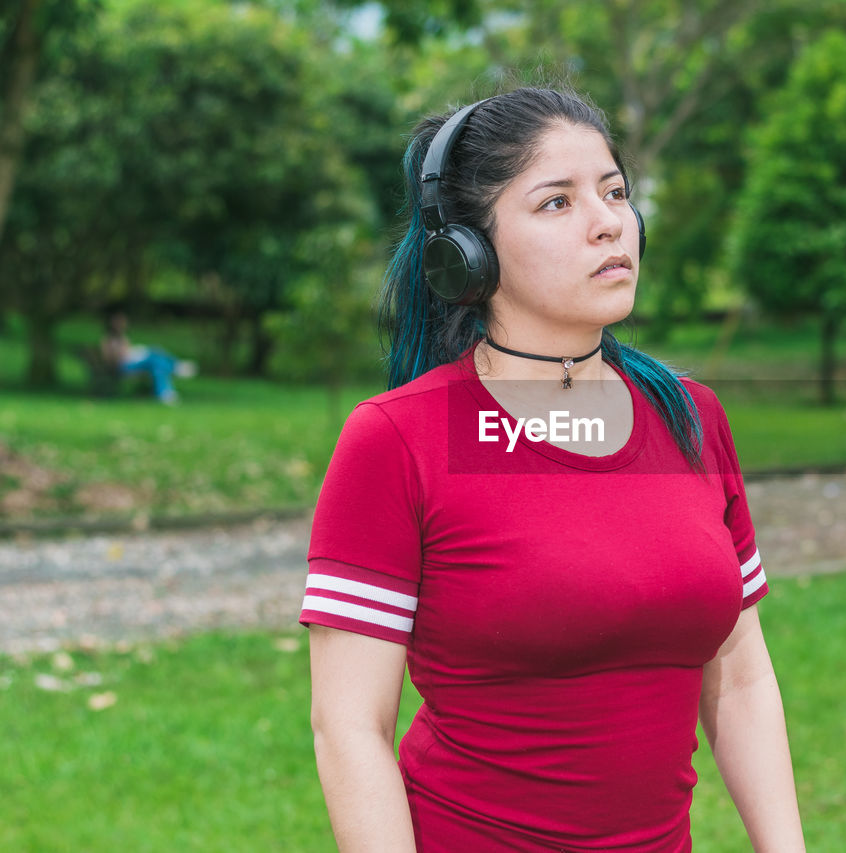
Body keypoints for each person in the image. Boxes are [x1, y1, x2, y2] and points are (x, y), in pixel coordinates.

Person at [300, 87, 805, 852]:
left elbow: (740, 678)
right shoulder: (396, 440)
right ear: (466, 250)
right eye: (556, 203)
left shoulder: (692, 419)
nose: (609, 222)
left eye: (614, 193)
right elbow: (349, 726)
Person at [99, 311, 196, 404]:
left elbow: (127, 351)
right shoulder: (108, 340)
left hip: (131, 363)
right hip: (122, 368)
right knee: (154, 360)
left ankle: (166, 393)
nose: (123, 324)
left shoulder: (123, 338)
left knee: (156, 361)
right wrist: (121, 353)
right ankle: (175, 369)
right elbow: (111, 360)